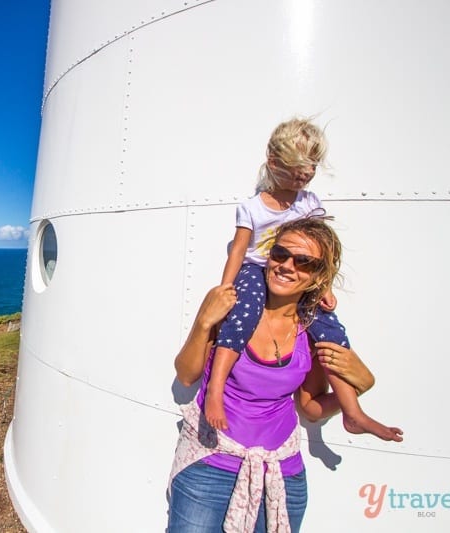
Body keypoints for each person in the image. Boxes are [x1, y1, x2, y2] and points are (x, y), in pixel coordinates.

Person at [168, 217, 402, 532]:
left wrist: (361, 387)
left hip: (281, 473)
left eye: (303, 262)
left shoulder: (312, 331)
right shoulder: (234, 305)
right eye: (280, 254)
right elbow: (186, 374)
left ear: (319, 276)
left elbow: (310, 407)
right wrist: (203, 323)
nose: (287, 266)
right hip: (209, 466)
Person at [204, 118, 399, 442]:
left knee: (329, 326)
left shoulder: (309, 202)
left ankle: (353, 413)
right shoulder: (252, 208)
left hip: (302, 271)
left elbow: (321, 248)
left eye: (311, 167)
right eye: (298, 168)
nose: (305, 175)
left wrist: (325, 287)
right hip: (256, 268)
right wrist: (226, 288)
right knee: (242, 318)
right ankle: (215, 390)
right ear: (274, 163)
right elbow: (239, 250)